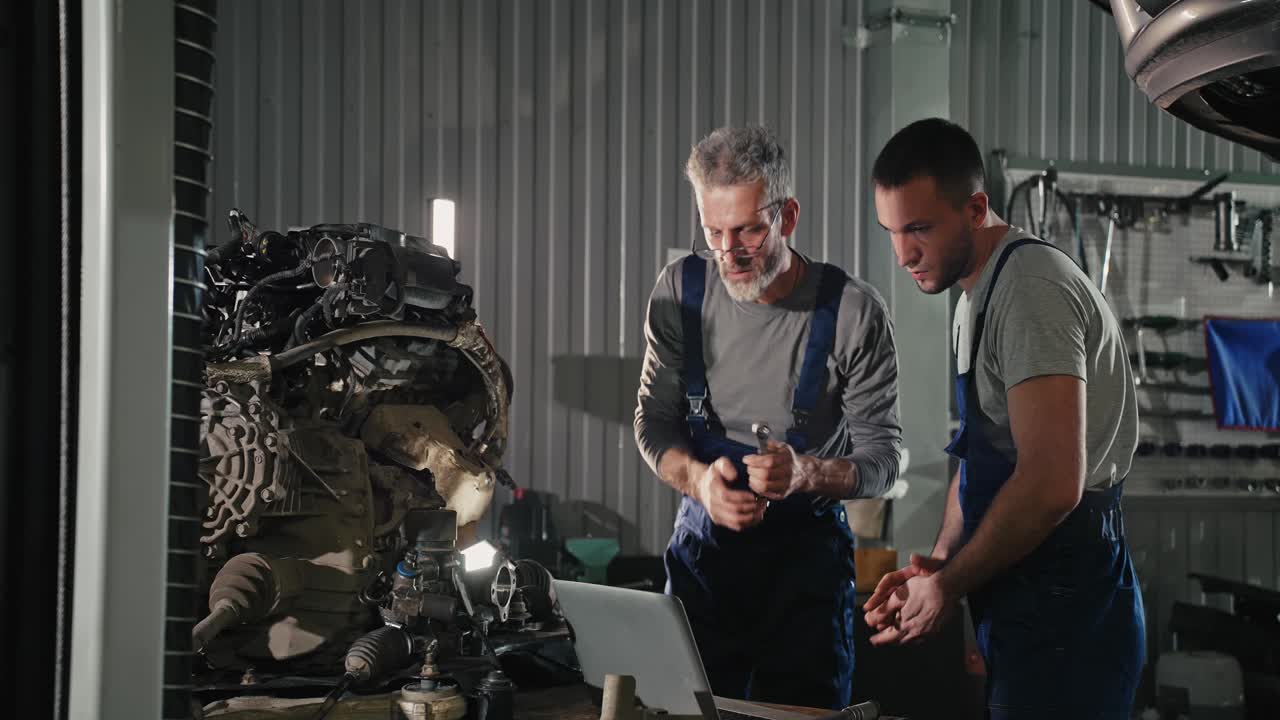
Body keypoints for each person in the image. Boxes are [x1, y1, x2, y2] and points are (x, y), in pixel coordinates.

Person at [863, 118, 1144, 718]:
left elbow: (1049, 484)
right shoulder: (975, 298)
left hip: (1071, 602)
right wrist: (938, 563)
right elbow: (981, 459)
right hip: (1024, 594)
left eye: (919, 228)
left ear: (975, 208)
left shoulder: (1029, 289)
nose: (903, 253)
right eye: (891, 230)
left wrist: (951, 585)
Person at [634, 125, 902, 709]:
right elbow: (653, 424)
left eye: (749, 230)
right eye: (713, 232)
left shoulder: (854, 312)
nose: (729, 253)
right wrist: (701, 482)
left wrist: (808, 474)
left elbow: (884, 461)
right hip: (704, 565)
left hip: (805, 580)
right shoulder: (679, 293)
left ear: (788, 216)